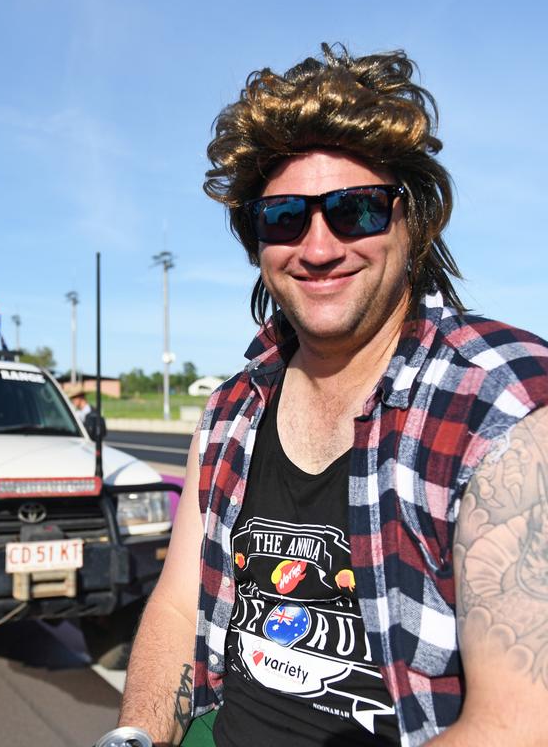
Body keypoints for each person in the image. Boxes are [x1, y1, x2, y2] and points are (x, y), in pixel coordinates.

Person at [110, 44, 548, 747]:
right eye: (284, 217)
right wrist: (132, 736)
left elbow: (520, 727)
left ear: (413, 220)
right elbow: (177, 607)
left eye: (355, 210)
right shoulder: (230, 414)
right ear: (256, 239)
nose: (317, 248)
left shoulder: (499, 409)